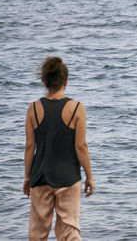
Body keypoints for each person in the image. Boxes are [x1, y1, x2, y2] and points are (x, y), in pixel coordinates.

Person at [23, 56, 94, 241]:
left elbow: (30, 146)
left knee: (37, 234)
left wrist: (27, 177)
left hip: (40, 177)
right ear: (66, 81)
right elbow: (81, 146)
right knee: (69, 232)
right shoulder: (77, 108)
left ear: (44, 81)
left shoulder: (34, 108)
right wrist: (89, 176)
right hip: (68, 177)